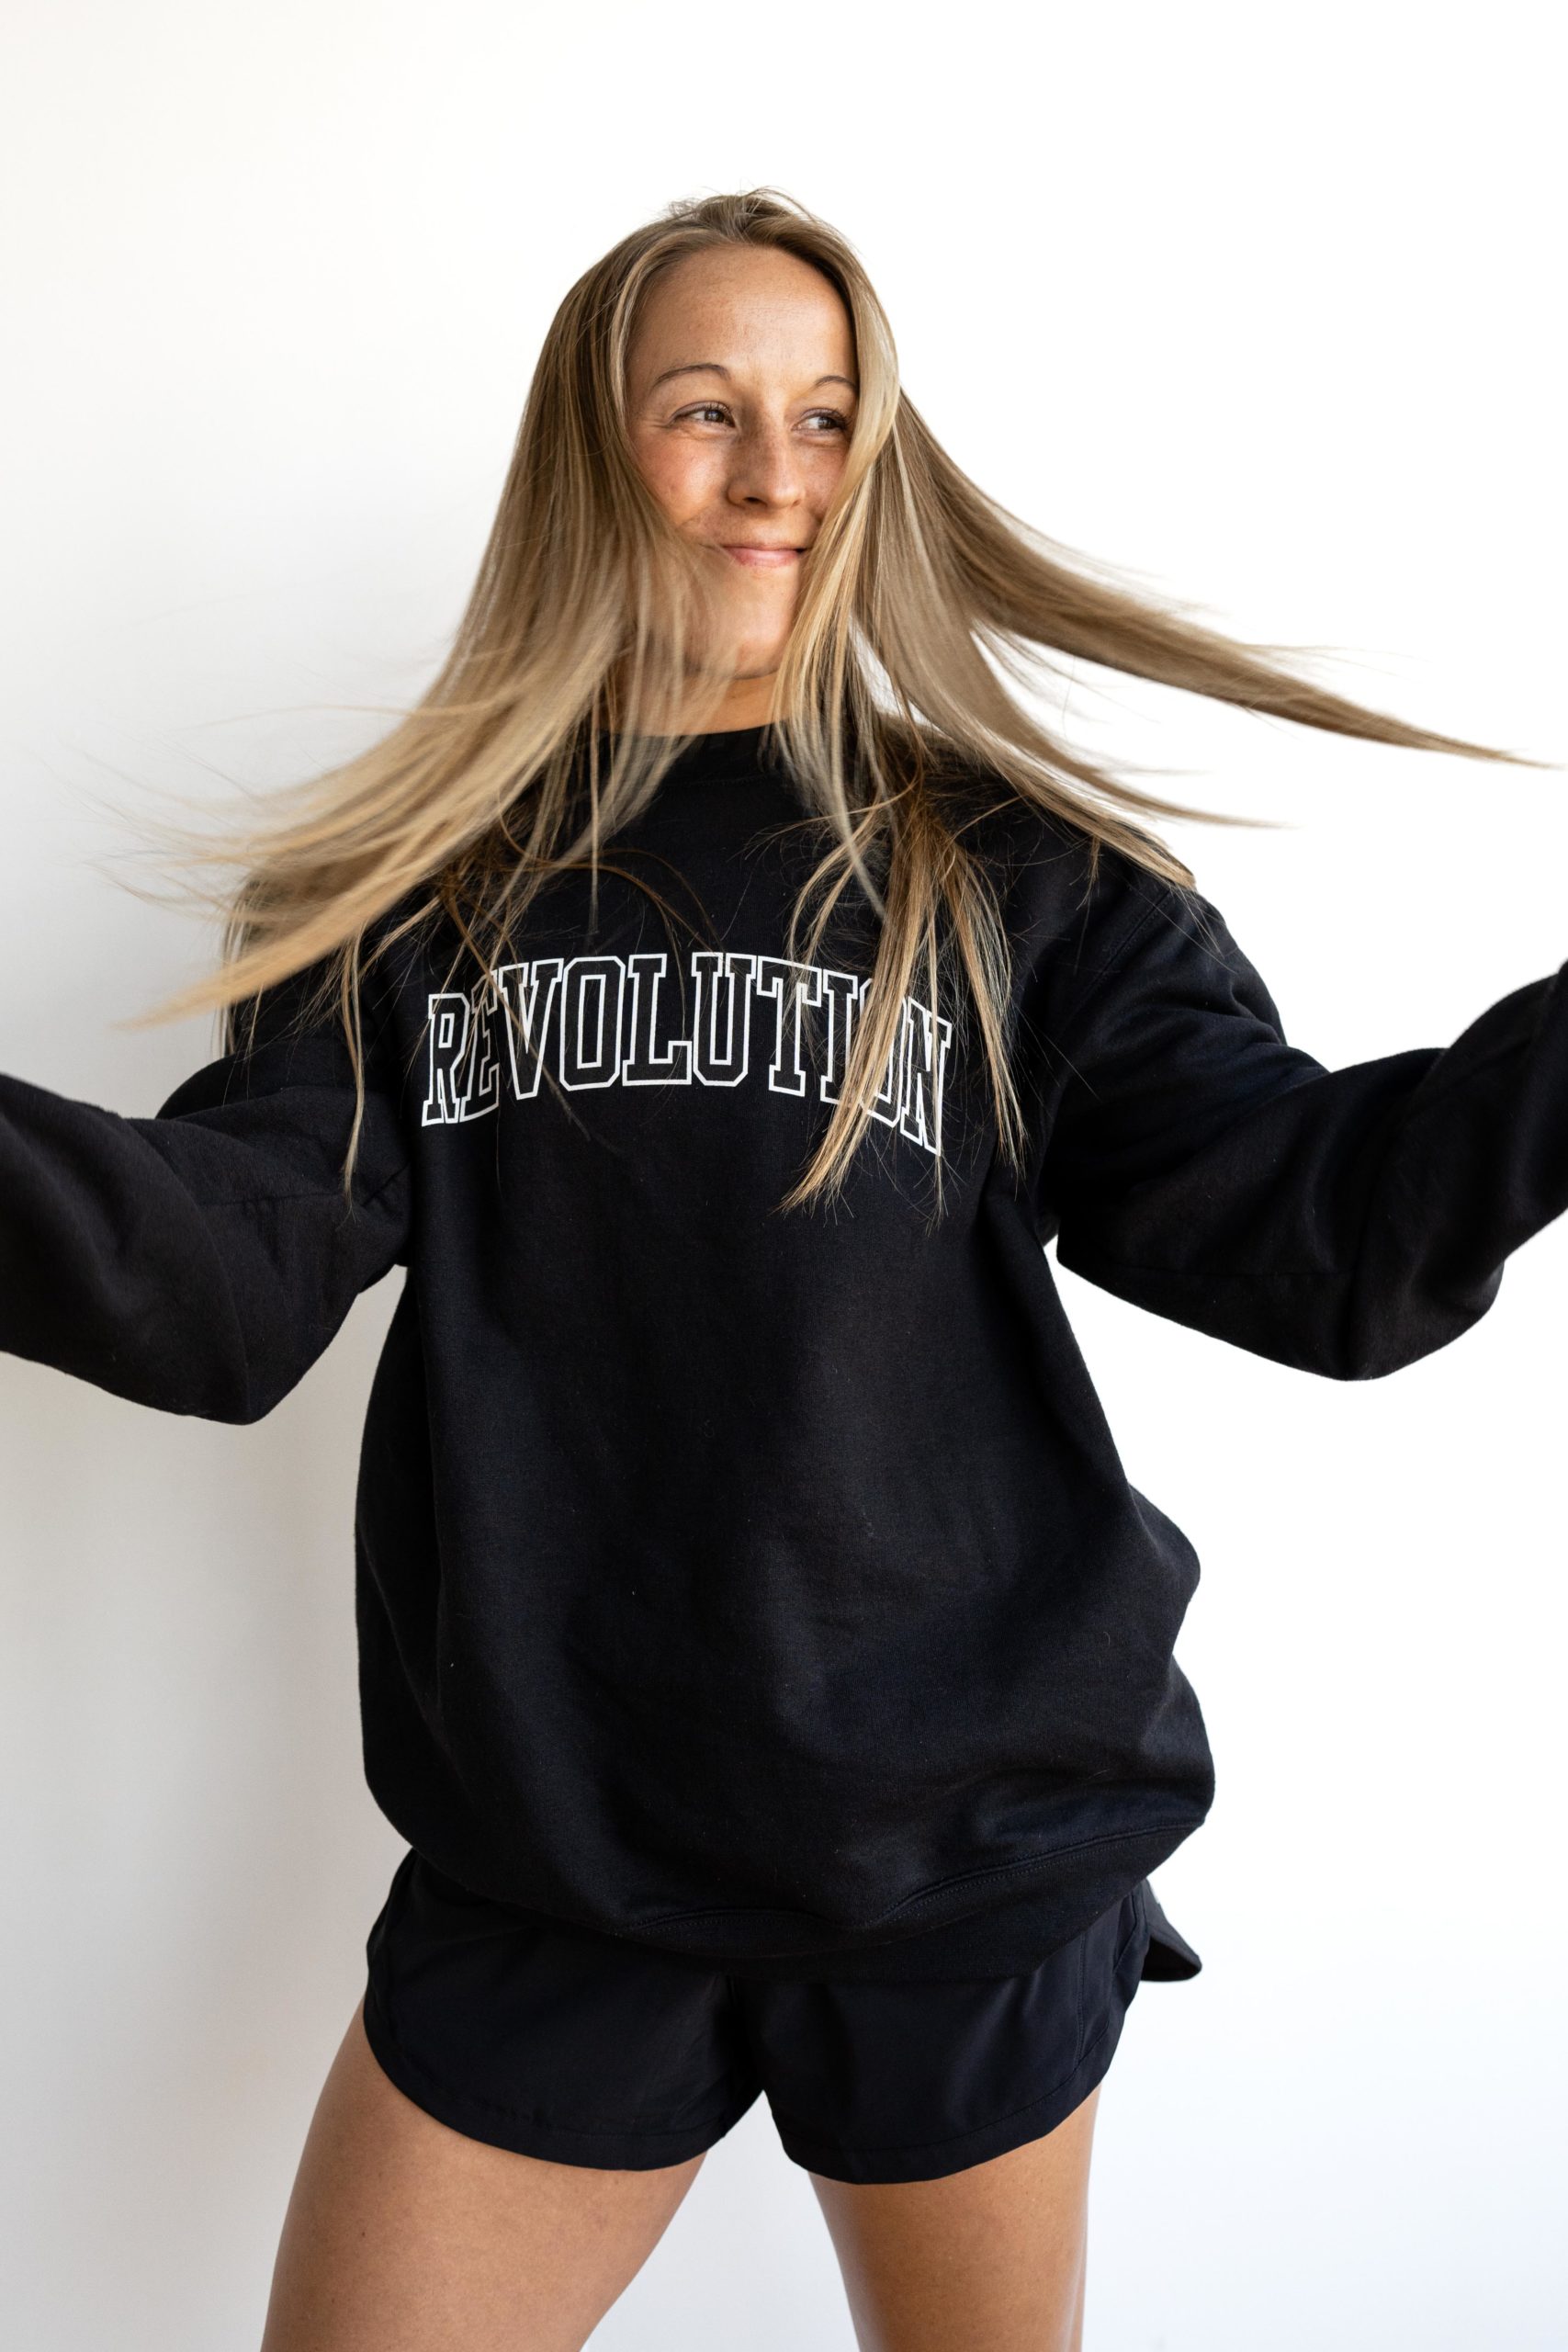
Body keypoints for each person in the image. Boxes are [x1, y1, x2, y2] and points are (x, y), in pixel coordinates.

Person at [2, 186, 1560, 2352]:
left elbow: (1319, 1243)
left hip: (960, 1853)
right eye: (703, 408)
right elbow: (229, 1276)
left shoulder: (1009, 869)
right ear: (590, 446)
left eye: (827, 416)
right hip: (562, 1860)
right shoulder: (408, 886)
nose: (773, 476)